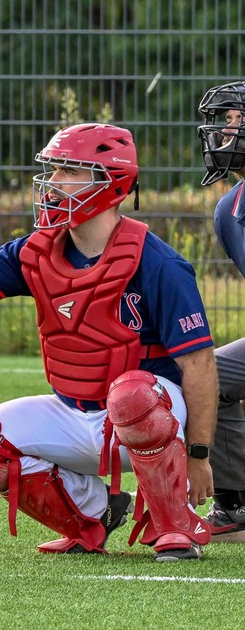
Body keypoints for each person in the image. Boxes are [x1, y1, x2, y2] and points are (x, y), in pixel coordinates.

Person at [0, 124, 217, 560]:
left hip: (148, 418)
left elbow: (199, 365)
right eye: (53, 168)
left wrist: (198, 455)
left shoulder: (158, 263)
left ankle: (174, 524)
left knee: (131, 396)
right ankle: (93, 515)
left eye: (69, 170)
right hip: (75, 411)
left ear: (109, 182)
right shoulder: (38, 250)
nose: (52, 181)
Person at [194, 81, 245, 538]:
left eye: (235, 120)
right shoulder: (229, 210)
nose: (224, 131)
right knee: (206, 378)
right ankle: (237, 505)